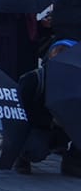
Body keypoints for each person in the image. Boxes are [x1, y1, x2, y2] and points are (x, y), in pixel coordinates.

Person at [15, 39, 81, 176]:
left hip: (63, 126)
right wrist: (51, 119)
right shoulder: (34, 79)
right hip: (39, 127)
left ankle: (73, 162)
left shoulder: (75, 81)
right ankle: (22, 156)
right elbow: (19, 112)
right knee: (35, 150)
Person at [0, 11, 45, 81]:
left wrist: (42, 25)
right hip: (3, 51)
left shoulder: (27, 9)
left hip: (24, 52)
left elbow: (30, 30)